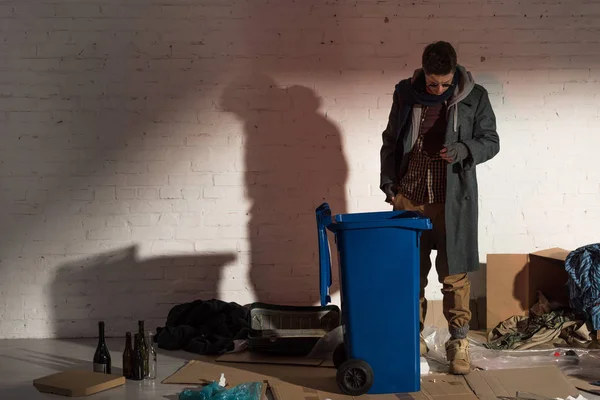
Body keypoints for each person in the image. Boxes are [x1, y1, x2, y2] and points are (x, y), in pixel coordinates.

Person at [379, 41, 500, 375]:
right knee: (409, 273)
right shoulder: (405, 93)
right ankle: (410, 335)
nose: (440, 89)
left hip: (452, 200)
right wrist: (389, 184)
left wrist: (463, 149)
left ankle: (458, 342)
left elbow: (492, 141)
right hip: (411, 197)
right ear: (423, 73)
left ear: (455, 74)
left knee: (455, 275)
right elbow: (391, 139)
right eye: (434, 83)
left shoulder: (476, 97)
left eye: (446, 84)